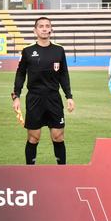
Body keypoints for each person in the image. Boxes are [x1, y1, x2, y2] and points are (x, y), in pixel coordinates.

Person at [11, 16, 74, 165]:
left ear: (51, 29)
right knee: (34, 137)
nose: (45, 29)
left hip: (54, 98)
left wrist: (69, 96)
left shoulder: (59, 50)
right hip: (35, 98)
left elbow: (64, 74)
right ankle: (30, 170)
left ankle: (62, 170)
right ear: (35, 31)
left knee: (58, 136)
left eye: (47, 26)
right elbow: (20, 74)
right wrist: (16, 96)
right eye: (41, 26)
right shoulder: (27, 51)